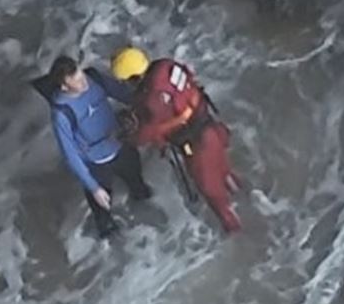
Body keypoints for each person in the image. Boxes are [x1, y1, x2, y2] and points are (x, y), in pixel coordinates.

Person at [111, 46, 243, 234]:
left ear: (133, 78)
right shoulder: (165, 65)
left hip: (197, 147)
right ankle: (239, 190)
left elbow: (147, 133)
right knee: (223, 167)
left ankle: (234, 228)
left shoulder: (151, 99)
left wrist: (128, 136)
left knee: (211, 190)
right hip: (211, 126)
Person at [32, 54, 153, 237]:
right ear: (64, 87)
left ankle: (148, 217)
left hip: (121, 145)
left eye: (81, 75)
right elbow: (70, 154)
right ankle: (109, 241)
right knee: (103, 213)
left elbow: (125, 95)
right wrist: (94, 187)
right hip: (96, 164)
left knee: (139, 187)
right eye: (77, 82)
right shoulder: (61, 114)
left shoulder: (94, 78)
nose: (84, 82)